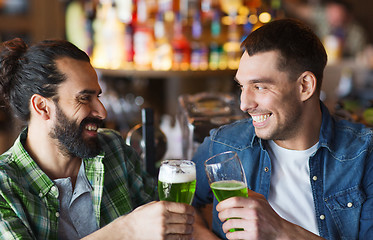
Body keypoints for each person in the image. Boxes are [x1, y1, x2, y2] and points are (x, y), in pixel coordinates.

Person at [191, 18, 373, 239]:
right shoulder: (223, 145)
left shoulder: (364, 156)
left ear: (304, 86)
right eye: (242, 86)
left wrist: (279, 229)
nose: (244, 104)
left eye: (259, 86)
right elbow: (178, 212)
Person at [0, 38, 194, 239]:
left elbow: (168, 222)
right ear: (42, 107)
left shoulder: (113, 149)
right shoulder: (4, 187)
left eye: (98, 97)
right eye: (84, 98)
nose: (102, 112)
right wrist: (128, 229)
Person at [283, 0, 367, 59]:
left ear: (349, 17)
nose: (335, 21)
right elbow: (299, 11)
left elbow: (361, 56)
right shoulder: (322, 15)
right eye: (332, 16)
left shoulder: (357, 32)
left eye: (340, 18)